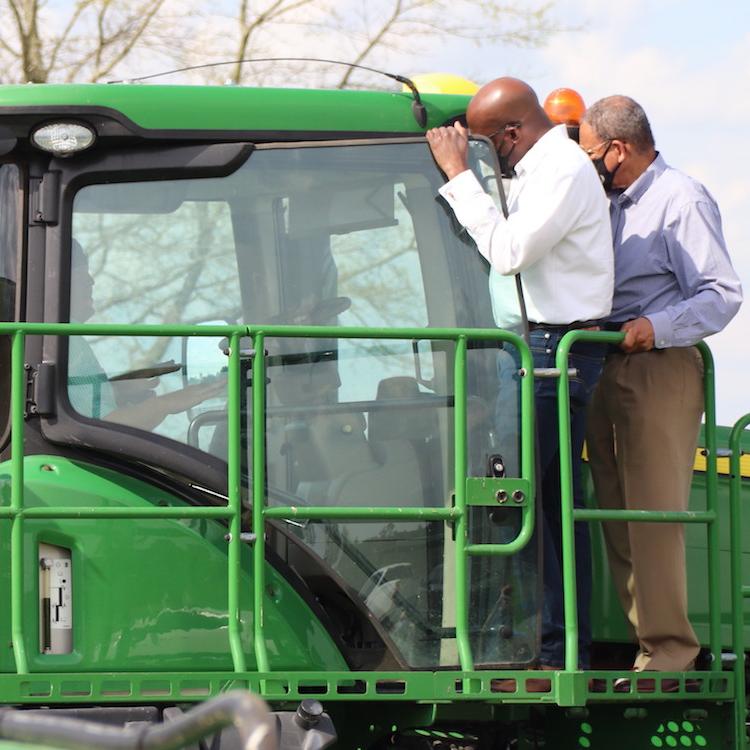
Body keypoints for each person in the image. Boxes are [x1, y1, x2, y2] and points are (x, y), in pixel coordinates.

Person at [426, 77, 614, 686]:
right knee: (535, 501)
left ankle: (555, 651)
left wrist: (458, 177)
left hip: (555, 348)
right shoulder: (530, 167)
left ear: (512, 135)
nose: (484, 159)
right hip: (527, 347)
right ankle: (542, 643)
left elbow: (508, 251)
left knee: (540, 503)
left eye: (487, 146)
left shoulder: (560, 169)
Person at [579, 96, 742, 684]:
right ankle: (643, 648)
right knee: (617, 517)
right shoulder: (608, 203)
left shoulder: (682, 198)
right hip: (604, 362)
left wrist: (655, 328)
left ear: (618, 151)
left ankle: (670, 653)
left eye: (591, 154)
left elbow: (722, 294)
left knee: (652, 515)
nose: (587, 166)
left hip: (659, 366)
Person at [68, 239, 222, 431]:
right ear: (55, 280)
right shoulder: (64, 341)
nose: (91, 281)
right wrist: (165, 404)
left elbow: (76, 400)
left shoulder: (60, 341)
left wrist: (120, 389)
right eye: (80, 273)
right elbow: (105, 428)